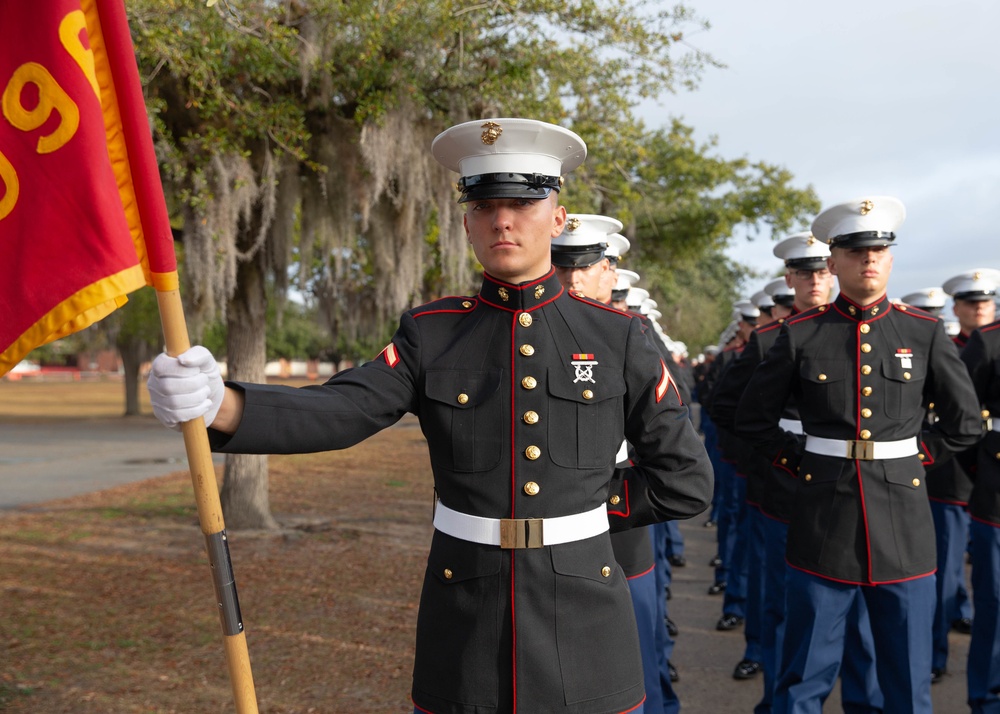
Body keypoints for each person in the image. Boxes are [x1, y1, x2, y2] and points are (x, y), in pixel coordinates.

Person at [147, 117, 713, 714]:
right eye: (486, 205)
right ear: (467, 222)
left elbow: (686, 482)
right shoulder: (433, 333)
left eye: (523, 203)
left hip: (586, 618)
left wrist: (586, 506)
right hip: (465, 619)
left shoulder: (618, 337)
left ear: (558, 216)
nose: (503, 219)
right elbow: (346, 409)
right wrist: (222, 405)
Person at [735, 196, 981, 714]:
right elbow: (752, 420)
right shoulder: (801, 334)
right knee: (803, 678)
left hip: (904, 528)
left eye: (878, 250)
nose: (868, 259)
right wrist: (802, 464)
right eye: (855, 250)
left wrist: (916, 462)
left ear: (890, 260)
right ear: (834, 262)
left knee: (907, 683)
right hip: (823, 522)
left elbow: (962, 423)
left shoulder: (924, 332)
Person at [712, 232, 881, 712]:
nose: (814, 281)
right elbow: (730, 408)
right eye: (804, 273)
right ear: (789, 279)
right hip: (788, 486)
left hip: (851, 489)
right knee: (784, 603)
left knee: (857, 608)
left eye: (821, 271)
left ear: (834, 271)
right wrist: (780, 457)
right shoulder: (769, 338)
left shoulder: (857, 331)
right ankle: (777, 696)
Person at [551, 216, 681, 712]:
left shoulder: (632, 337)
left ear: (610, 272)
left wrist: (622, 499)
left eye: (586, 266)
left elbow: (672, 433)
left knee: (636, 645)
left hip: (616, 510)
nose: (573, 278)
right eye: (561, 264)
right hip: (549, 518)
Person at [958, 316, 1000, 713]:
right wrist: (984, 473)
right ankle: (987, 700)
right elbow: (963, 421)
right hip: (998, 494)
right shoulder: (987, 342)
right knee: (996, 604)